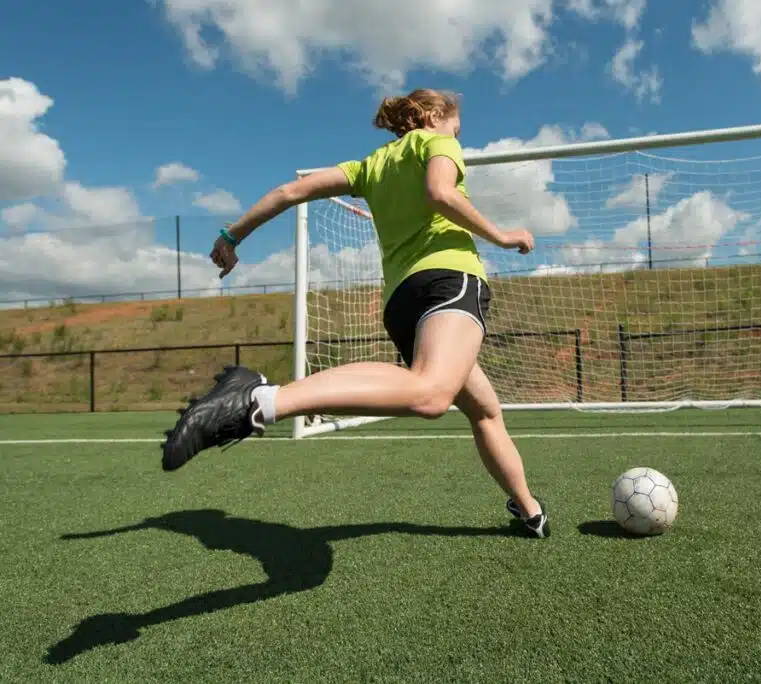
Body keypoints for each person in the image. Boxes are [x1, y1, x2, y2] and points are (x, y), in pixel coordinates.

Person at [161, 88, 550, 538]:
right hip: (449, 280)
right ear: (431, 116)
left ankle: (529, 509)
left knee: (484, 410)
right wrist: (500, 236)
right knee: (431, 395)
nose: (457, 135)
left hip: (403, 304)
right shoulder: (437, 142)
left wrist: (232, 236)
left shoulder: (371, 166)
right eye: (456, 127)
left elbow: (291, 191)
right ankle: (258, 400)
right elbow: (440, 192)